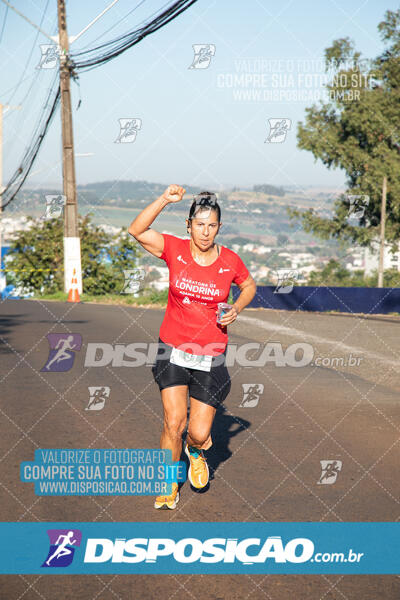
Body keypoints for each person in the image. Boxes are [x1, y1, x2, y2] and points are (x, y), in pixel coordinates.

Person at [128, 185, 256, 509]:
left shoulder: (229, 260)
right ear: (188, 225)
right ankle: (168, 483)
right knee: (174, 422)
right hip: (172, 347)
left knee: (197, 433)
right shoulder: (174, 249)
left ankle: (196, 450)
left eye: (212, 225)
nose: (205, 231)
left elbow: (249, 284)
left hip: (210, 353)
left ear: (219, 228)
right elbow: (136, 229)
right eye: (199, 225)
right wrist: (164, 199)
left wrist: (237, 307)